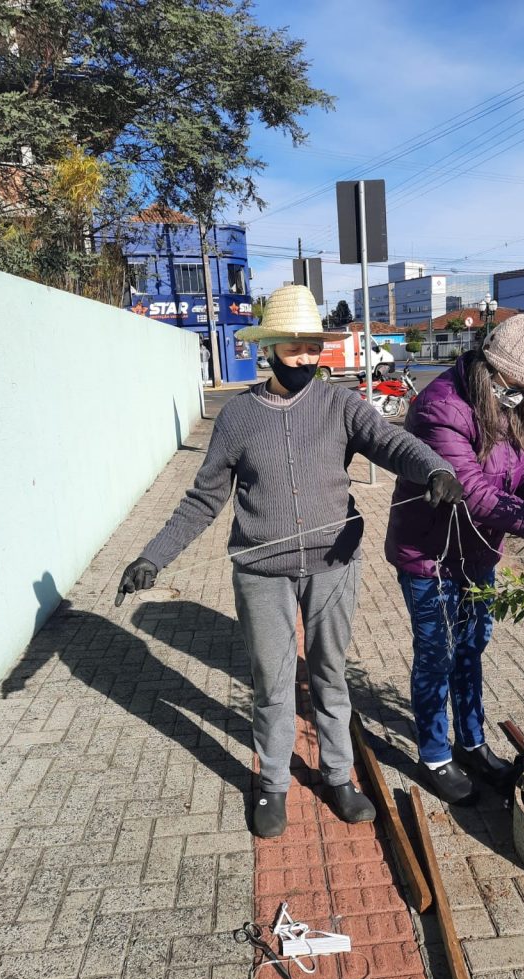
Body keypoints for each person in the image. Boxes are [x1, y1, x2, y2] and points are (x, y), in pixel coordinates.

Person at [116, 285, 463, 838]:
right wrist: (152, 557)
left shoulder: (340, 404)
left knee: (329, 676)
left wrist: (436, 469)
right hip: (261, 576)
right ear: (271, 346)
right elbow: (204, 498)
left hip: (333, 567)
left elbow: (391, 443)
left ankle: (338, 777)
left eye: (313, 346)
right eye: (295, 346)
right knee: (273, 683)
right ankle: (273, 784)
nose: (306, 357)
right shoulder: (238, 417)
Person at [385, 314, 524, 805]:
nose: (522, 398)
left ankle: (472, 742)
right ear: (492, 367)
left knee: (472, 645)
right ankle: (435, 754)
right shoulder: (441, 407)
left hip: (477, 553)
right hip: (431, 555)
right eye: (516, 387)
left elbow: (522, 464)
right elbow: (477, 496)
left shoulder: (510, 402)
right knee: (437, 652)